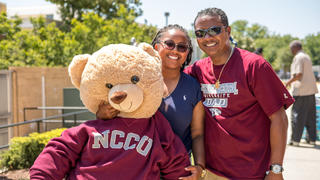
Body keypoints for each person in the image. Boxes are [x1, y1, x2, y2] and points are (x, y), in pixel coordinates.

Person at [183, 7, 294, 179]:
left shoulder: (254, 66)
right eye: (200, 33)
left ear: (227, 31)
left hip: (252, 173)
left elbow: (279, 118)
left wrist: (276, 169)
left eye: (214, 30)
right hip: (211, 173)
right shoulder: (196, 70)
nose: (207, 37)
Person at [96, 24, 206, 180]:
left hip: (176, 170)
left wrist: (200, 167)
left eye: (182, 47)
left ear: (187, 52)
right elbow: (115, 117)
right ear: (156, 47)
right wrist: (101, 115)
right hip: (134, 168)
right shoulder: (135, 79)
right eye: (169, 44)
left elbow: (197, 134)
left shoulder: (193, 86)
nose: (175, 50)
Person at [285, 40, 318, 147]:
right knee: (310, 116)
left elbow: (299, 74)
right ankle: (312, 139)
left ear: (295, 48)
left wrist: (288, 82)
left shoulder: (298, 57)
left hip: (301, 91)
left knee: (297, 116)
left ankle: (295, 140)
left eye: (291, 49)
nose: (291, 51)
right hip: (311, 90)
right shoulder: (306, 56)